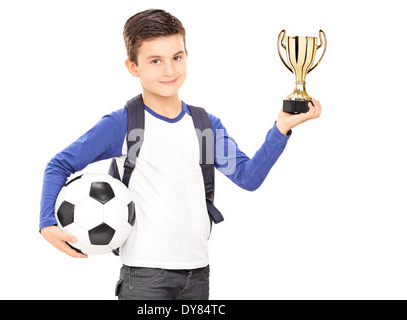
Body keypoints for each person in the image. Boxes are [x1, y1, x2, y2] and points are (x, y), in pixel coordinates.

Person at [39, 9, 322, 300]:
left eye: (177, 57)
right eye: (155, 61)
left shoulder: (205, 125)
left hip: (198, 273)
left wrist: (281, 128)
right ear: (133, 67)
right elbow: (59, 165)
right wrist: (47, 223)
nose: (170, 71)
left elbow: (247, 177)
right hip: (144, 276)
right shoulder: (122, 123)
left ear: (187, 54)